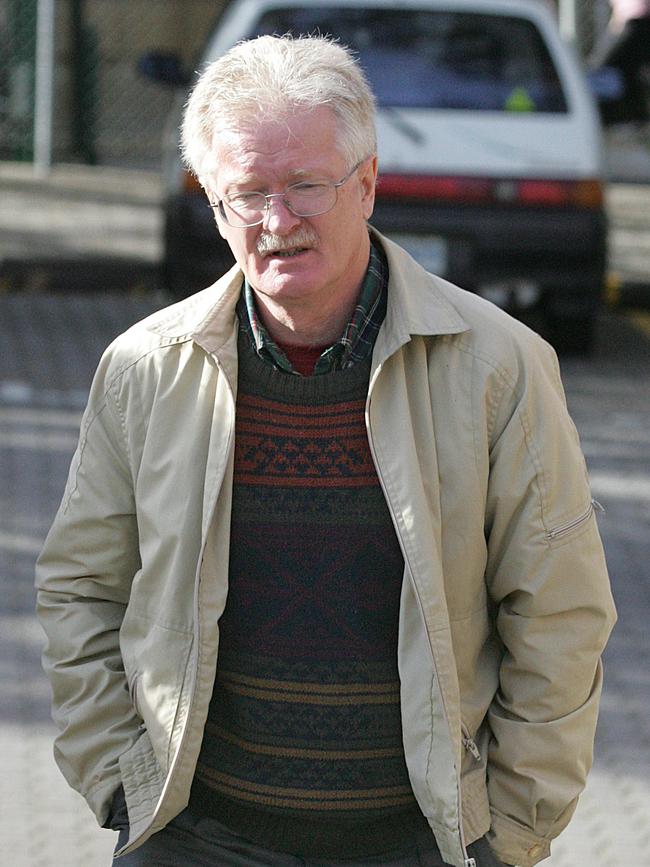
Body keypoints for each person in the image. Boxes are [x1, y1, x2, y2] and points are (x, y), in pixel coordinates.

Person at [36, 35, 616, 867]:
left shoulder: (499, 365)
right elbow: (79, 587)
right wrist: (120, 784)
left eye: (307, 186)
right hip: (198, 839)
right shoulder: (145, 369)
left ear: (368, 183)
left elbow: (560, 611)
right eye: (248, 194)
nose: (278, 222)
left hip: (421, 844)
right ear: (214, 206)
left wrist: (511, 830)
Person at [598, 0, 650, 125]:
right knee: (626, 73)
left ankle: (635, 115)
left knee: (626, 71)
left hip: (636, 22)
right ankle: (636, 115)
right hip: (629, 23)